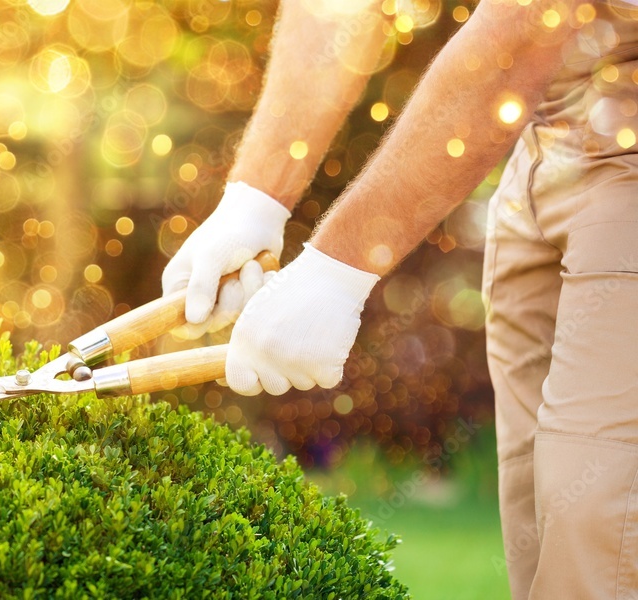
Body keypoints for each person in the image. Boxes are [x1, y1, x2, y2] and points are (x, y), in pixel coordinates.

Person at [161, 0, 638, 598]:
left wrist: (336, 272)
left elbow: (529, 20)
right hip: (544, 145)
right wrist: (254, 199)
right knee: (541, 522)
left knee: (599, 540)